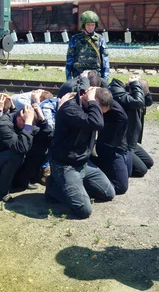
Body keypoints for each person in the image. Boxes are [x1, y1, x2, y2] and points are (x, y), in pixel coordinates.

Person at [45, 87, 116, 219]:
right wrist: (92, 100)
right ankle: (53, 189)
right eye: (98, 110)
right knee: (84, 210)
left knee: (108, 193)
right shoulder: (70, 109)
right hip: (66, 165)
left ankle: (71, 187)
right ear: (91, 100)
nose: (100, 115)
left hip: (83, 163)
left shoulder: (89, 109)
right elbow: (97, 123)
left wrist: (92, 103)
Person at [0, 104, 52, 202]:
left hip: (6, 157)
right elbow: (20, 148)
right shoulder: (4, 124)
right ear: (20, 119)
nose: (30, 126)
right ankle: (1, 190)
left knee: (41, 148)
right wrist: (28, 124)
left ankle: (20, 182)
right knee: (16, 155)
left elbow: (48, 138)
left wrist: (43, 120)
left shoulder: (24, 122)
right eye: (28, 123)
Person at [108, 75, 154, 177]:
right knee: (141, 170)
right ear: (132, 90)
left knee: (149, 162)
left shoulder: (135, 95)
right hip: (121, 142)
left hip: (130, 141)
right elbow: (138, 102)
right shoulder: (120, 95)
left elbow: (149, 102)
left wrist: (137, 83)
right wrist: (135, 85)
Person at [65, 11, 110, 81]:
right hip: (79, 76)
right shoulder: (75, 39)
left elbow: (105, 62)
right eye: (88, 25)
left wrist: (105, 79)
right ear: (84, 25)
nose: (91, 27)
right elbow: (69, 61)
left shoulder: (100, 39)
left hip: (96, 76)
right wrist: (69, 79)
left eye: (93, 25)